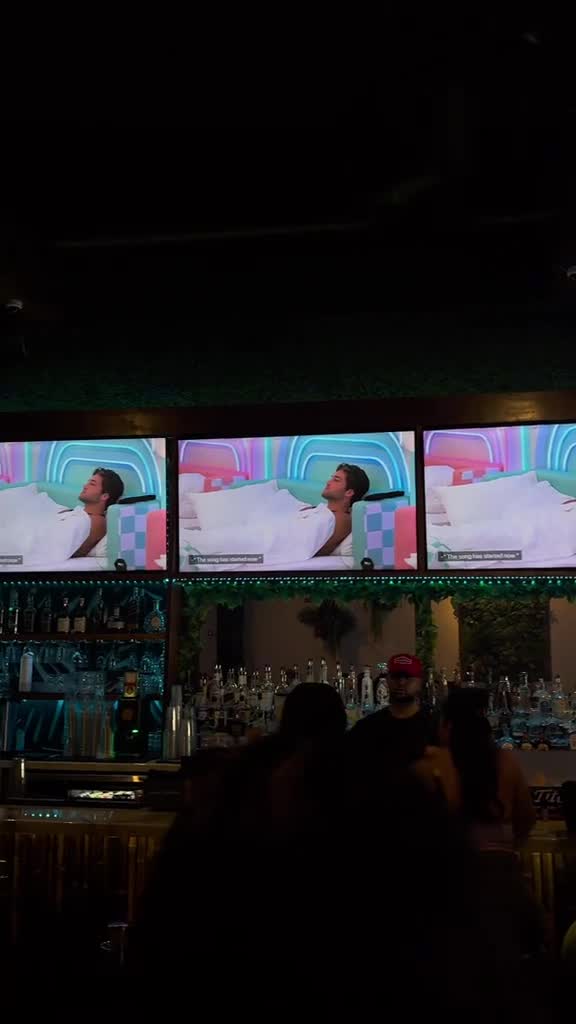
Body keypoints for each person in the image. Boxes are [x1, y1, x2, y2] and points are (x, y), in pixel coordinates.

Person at [347, 653, 437, 766]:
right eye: (396, 676)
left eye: (408, 677)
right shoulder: (368, 727)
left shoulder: (433, 726)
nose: (401, 682)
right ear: (387, 679)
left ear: (420, 682)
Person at [314, 462, 370, 556]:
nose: (328, 482)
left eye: (336, 480)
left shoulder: (342, 520)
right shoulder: (319, 509)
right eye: (332, 478)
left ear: (349, 492)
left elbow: (313, 549)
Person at [70, 467, 124, 557]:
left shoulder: (97, 522)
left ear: (104, 496)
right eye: (88, 482)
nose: (85, 486)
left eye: (92, 484)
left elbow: (71, 551)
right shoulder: (77, 512)